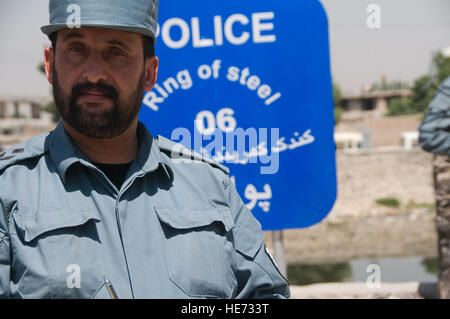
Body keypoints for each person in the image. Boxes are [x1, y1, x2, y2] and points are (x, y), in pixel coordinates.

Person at [0, 0, 290, 299]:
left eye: (116, 52)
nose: (94, 73)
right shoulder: (7, 191)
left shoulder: (211, 186)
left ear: (150, 73)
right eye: (77, 49)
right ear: (50, 64)